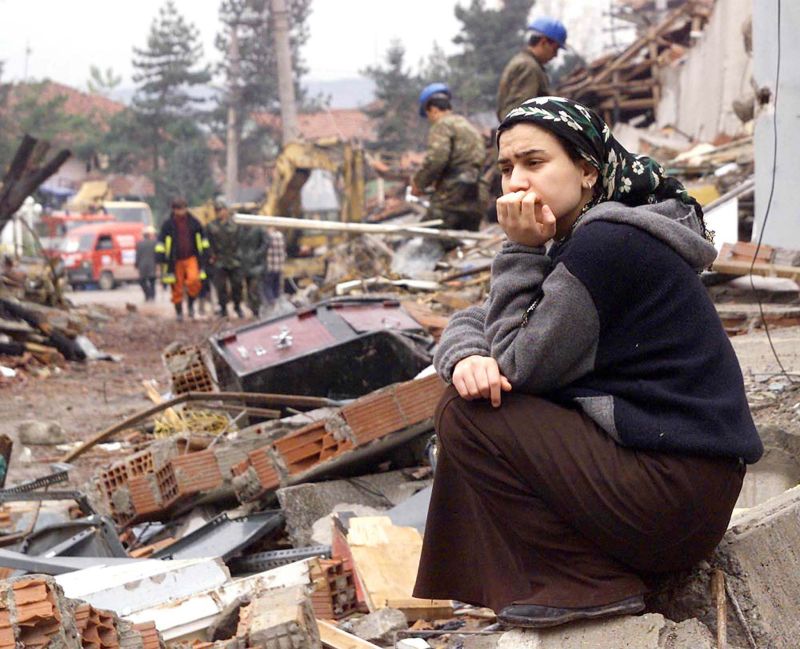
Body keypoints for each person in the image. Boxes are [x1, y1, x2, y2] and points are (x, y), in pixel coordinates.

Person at [413, 96, 763, 629]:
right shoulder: (589, 237)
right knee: (471, 393)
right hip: (683, 489)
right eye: (506, 168)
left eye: (534, 163)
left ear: (585, 171)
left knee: (472, 416)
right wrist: (465, 354)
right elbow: (482, 317)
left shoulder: (606, 245)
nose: (515, 182)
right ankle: (581, 574)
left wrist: (521, 251)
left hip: (673, 494)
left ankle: (585, 584)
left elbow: (517, 361)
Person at [411, 82, 487, 235]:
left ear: (432, 110)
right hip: (476, 196)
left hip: (452, 196)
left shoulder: (442, 125)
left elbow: (436, 160)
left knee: (427, 235)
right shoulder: (467, 126)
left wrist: (418, 184)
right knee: (466, 243)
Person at [496, 17, 566, 122]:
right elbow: (520, 112)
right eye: (555, 49)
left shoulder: (526, 63)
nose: (555, 55)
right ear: (543, 42)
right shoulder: (528, 67)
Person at [155, 197, 210, 321]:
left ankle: (190, 305)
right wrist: (160, 257)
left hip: (192, 257)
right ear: (174, 210)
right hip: (174, 260)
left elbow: (203, 239)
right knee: (176, 287)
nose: (182, 211)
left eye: (184, 208)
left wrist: (206, 253)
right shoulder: (167, 225)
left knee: (194, 280)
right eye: (179, 209)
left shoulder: (194, 223)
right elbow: (161, 242)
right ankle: (179, 312)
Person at [206, 197, 244, 318]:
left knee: (237, 285)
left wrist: (240, 255)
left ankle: (237, 306)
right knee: (221, 286)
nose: (219, 212)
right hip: (219, 260)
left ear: (226, 210)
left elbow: (240, 240)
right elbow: (208, 243)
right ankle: (223, 309)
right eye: (217, 210)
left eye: (221, 209)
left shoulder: (235, 225)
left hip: (234, 259)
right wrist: (211, 255)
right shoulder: (211, 226)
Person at [238, 221, 268, 317]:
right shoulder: (240, 230)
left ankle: (257, 310)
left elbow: (266, 242)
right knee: (248, 289)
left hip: (256, 265)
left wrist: (258, 254)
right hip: (245, 264)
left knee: (254, 289)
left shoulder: (258, 229)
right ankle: (253, 309)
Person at [262, 226, 286, 314]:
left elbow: (264, 249)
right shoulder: (280, 236)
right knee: (276, 286)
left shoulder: (268, 236)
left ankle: (272, 305)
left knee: (268, 286)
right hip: (279, 266)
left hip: (270, 266)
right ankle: (278, 305)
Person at [134, 226, 158, 301]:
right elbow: (157, 255)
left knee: (142, 281)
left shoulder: (139, 244)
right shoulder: (155, 243)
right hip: (152, 266)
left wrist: (136, 264)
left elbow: (137, 255)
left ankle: (147, 295)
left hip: (142, 266)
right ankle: (152, 296)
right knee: (152, 282)